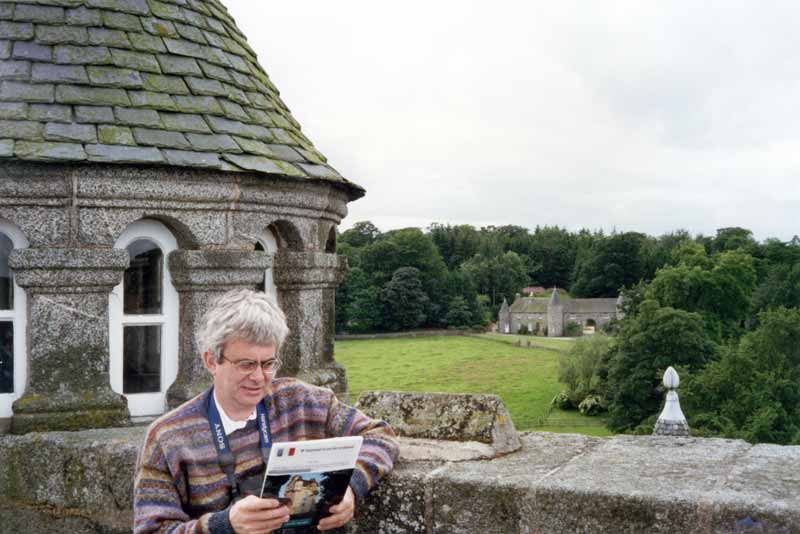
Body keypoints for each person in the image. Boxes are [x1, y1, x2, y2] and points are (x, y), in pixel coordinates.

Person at [133, 289, 399, 533]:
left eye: (268, 363)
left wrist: (352, 487)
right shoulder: (168, 437)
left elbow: (381, 435)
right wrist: (225, 525)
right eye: (246, 364)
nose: (259, 377)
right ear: (211, 361)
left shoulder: (300, 401)